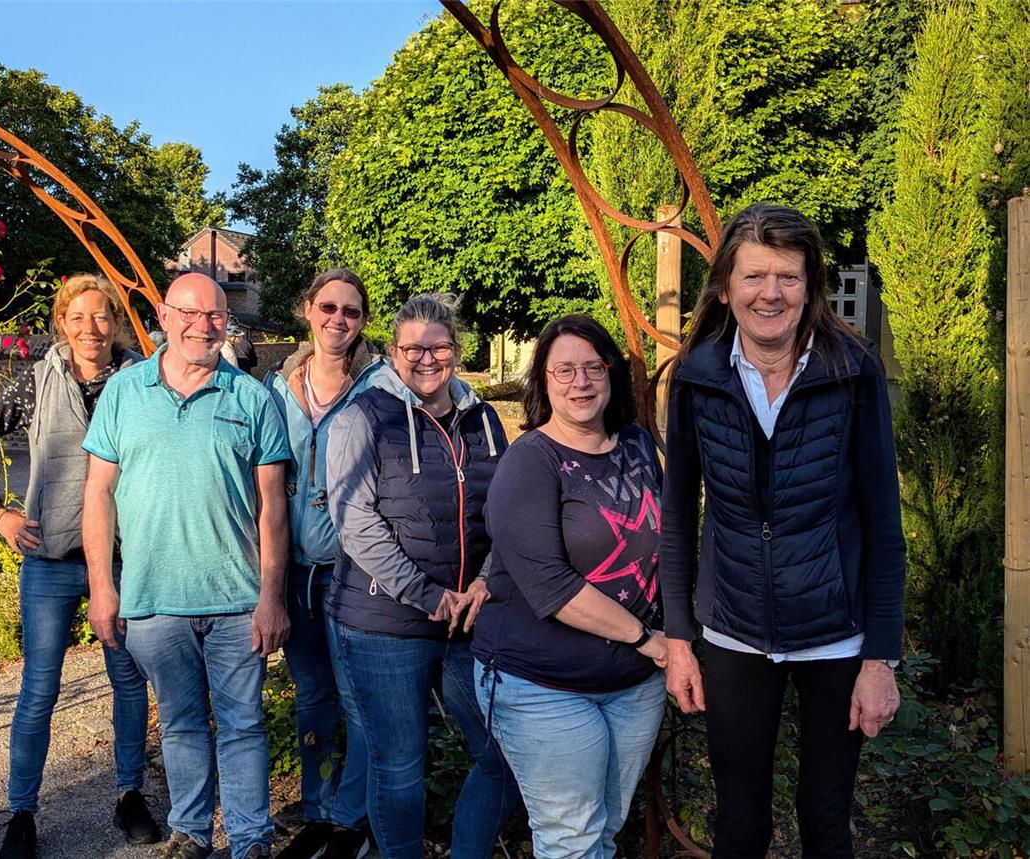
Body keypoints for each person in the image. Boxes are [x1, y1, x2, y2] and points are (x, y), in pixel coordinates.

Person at [659, 203, 905, 857]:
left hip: (835, 632)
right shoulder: (696, 377)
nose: (771, 292)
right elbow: (678, 514)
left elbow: (885, 523)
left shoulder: (851, 370)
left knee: (826, 817)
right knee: (740, 822)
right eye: (755, 276)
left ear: (811, 285)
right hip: (735, 630)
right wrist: (680, 639)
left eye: (789, 276)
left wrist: (880, 658)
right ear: (725, 287)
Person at [83, 272, 291, 859]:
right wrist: (103, 587)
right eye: (192, 314)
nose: (205, 326)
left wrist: (272, 596)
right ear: (165, 316)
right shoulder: (125, 393)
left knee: (243, 725)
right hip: (154, 599)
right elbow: (98, 493)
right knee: (179, 725)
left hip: (236, 598)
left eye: (218, 315)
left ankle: (251, 841)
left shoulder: (252, 398)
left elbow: (274, 507)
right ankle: (192, 833)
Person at [0, 273, 157, 859]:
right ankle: (21, 811)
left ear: (116, 322)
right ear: (61, 323)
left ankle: (129, 794)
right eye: (78, 317)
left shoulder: (142, 380)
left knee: (127, 682)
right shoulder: (35, 384)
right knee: (39, 690)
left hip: (122, 560)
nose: (91, 329)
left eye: (102, 317)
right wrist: (0, 516)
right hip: (49, 561)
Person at [324, 294, 519, 859]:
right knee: (401, 766)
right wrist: (426, 594)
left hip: (468, 620)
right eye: (412, 348)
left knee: (501, 755)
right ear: (391, 352)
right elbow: (354, 521)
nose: (426, 359)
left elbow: (504, 510)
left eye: (439, 348)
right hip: (384, 623)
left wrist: (483, 581)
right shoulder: (363, 417)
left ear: (456, 351)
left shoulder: (482, 420)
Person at [472, 314, 669, 859]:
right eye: (564, 371)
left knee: (604, 829)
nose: (580, 382)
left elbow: (670, 544)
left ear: (611, 374)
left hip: (633, 684)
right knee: (572, 840)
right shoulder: (530, 462)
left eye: (592, 367)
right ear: (544, 382)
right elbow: (551, 586)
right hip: (543, 683)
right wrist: (648, 640)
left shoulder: (635, 444)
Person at [267, 269, 381, 859]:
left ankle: (350, 821)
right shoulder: (276, 385)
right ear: (307, 311)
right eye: (329, 307)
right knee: (312, 694)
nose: (339, 319)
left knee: (358, 698)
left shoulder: (382, 387)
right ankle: (317, 809)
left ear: (363, 322)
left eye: (352, 312)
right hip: (295, 573)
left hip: (356, 574)